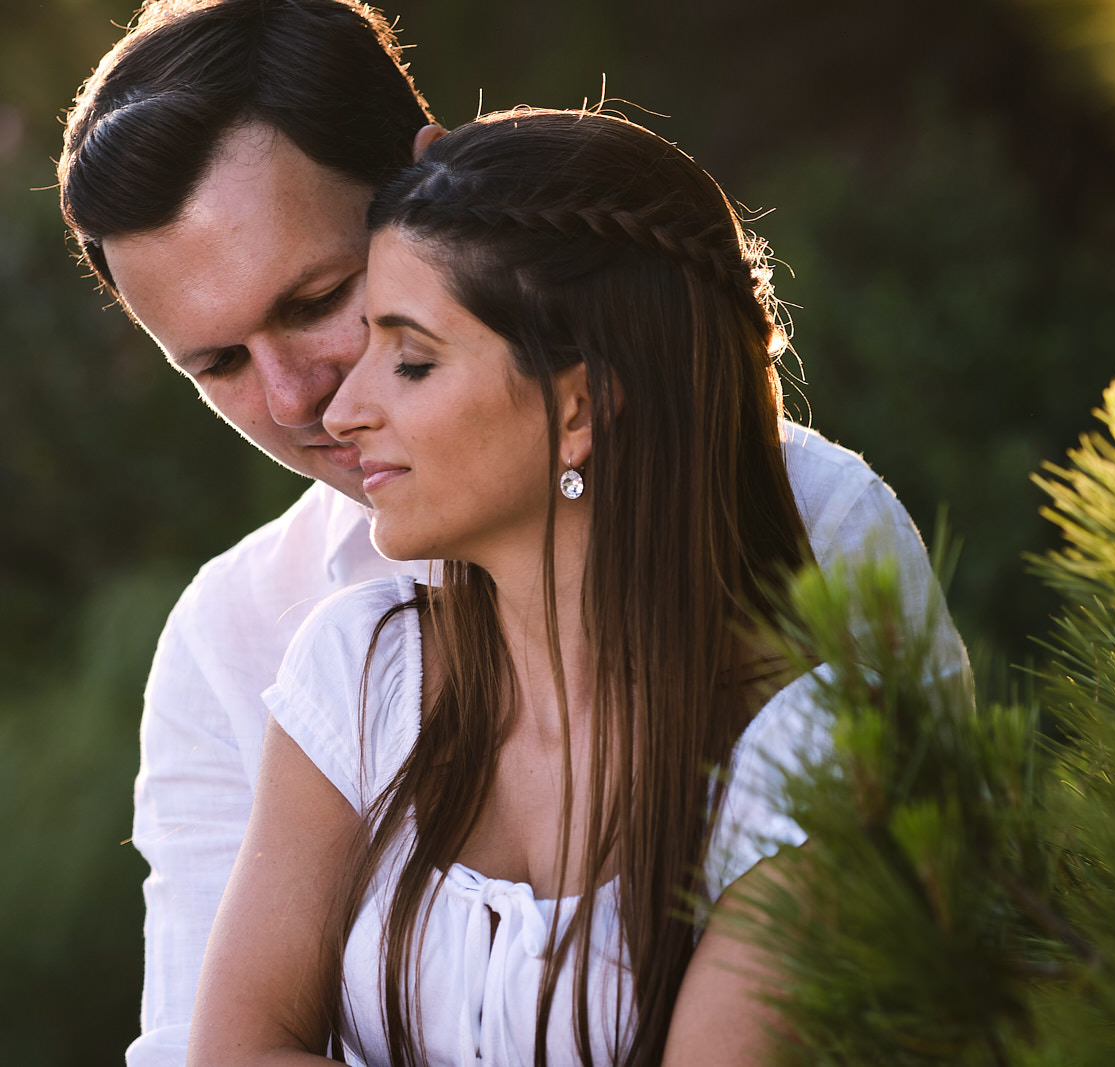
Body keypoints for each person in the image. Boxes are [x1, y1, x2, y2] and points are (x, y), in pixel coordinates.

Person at [55, 2, 964, 1064]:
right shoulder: (245, 643)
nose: (300, 397)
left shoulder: (816, 532)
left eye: (320, 298)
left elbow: (934, 988)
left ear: (434, 187)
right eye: (218, 366)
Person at [189, 103, 849, 1067]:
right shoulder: (360, 675)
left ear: (578, 408)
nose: (343, 406)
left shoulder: (802, 758)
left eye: (411, 360)